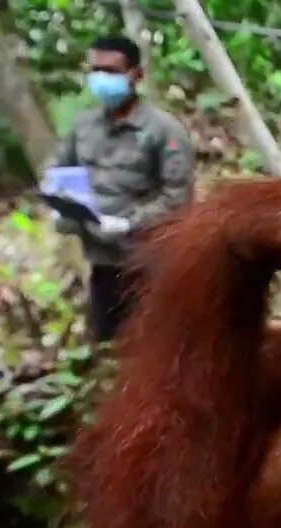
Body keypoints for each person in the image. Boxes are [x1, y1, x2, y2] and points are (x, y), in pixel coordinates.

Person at [48, 35, 193, 342]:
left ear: (136, 75)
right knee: (106, 344)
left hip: (149, 262)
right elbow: (62, 174)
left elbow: (179, 198)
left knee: (152, 345)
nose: (102, 78)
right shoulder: (82, 127)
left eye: (112, 71)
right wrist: (59, 206)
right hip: (102, 262)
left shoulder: (163, 130)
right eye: (96, 70)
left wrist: (131, 223)